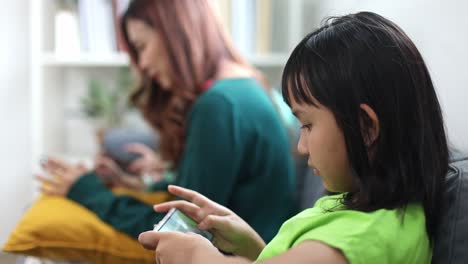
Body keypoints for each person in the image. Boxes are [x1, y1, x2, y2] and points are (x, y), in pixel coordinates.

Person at [138, 12, 449, 264]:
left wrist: (197, 257)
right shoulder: (360, 210)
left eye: (308, 125)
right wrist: (252, 247)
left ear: (365, 127)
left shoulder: (368, 236)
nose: (300, 147)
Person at [37, 0, 297, 242]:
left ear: (175, 34)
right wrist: (136, 184)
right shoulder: (242, 86)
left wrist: (87, 190)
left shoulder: (219, 105)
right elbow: (213, 191)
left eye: (142, 47)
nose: (144, 64)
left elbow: (179, 229)